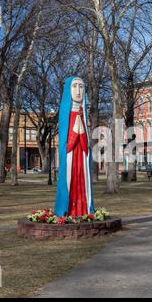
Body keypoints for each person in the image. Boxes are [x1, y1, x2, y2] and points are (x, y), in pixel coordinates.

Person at [54, 76, 94, 217]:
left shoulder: (83, 115)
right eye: (75, 86)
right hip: (70, 157)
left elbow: (86, 144)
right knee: (68, 181)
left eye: (81, 86)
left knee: (83, 182)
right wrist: (76, 131)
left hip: (82, 156)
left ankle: (84, 210)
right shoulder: (65, 114)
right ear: (68, 89)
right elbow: (67, 143)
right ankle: (66, 211)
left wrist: (81, 132)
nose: (78, 91)